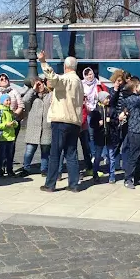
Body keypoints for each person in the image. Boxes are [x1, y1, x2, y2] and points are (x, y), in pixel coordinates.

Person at [38, 51, 83, 193]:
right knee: (71, 153)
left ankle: (50, 184)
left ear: (65, 66)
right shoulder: (79, 82)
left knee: (55, 153)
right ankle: (74, 185)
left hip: (61, 120)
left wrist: (43, 62)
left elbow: (53, 77)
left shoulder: (67, 79)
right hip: (74, 121)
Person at [19, 78, 52, 177]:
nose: (40, 86)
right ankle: (26, 168)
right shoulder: (32, 97)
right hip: (33, 128)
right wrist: (33, 89)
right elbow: (24, 100)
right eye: (38, 84)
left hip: (46, 128)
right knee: (29, 151)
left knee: (45, 151)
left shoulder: (50, 95)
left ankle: (44, 169)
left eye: (41, 84)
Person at [89, 91, 119, 184]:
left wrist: (111, 121)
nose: (108, 100)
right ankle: (95, 174)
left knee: (111, 157)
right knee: (97, 157)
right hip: (99, 137)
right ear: (101, 99)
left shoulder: (112, 109)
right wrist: (98, 123)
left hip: (110, 137)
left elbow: (117, 121)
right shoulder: (96, 111)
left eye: (109, 98)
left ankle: (112, 175)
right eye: (107, 98)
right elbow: (91, 124)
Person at [81, 68, 108, 171]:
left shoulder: (99, 84)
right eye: (87, 74)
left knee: (102, 132)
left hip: (98, 111)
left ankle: (104, 155)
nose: (90, 76)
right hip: (86, 111)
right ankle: (94, 155)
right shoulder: (81, 84)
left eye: (91, 74)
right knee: (91, 134)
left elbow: (105, 96)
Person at [0, 94, 18, 177]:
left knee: (10, 155)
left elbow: (14, 122)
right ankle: (0, 170)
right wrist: (6, 124)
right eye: (6, 100)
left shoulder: (10, 111)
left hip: (11, 136)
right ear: (2, 101)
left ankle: (9, 170)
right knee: (2, 155)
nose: (9, 102)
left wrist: (15, 124)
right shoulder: (0, 112)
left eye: (9, 100)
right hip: (3, 137)